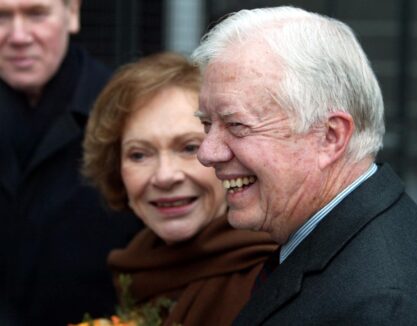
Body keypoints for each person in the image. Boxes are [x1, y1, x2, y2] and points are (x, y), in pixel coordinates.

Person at [191, 6, 417, 325]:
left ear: (330, 136)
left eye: (237, 125)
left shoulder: (379, 304)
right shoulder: (350, 244)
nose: (207, 152)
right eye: (206, 124)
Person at [82, 52, 278, 326]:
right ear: (116, 169)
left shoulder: (272, 276)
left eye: (189, 148)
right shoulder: (135, 271)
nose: (165, 176)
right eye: (139, 155)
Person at [0, 0, 141, 325]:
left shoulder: (126, 113)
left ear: (72, 13)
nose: (18, 35)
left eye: (36, 13)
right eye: (2, 17)